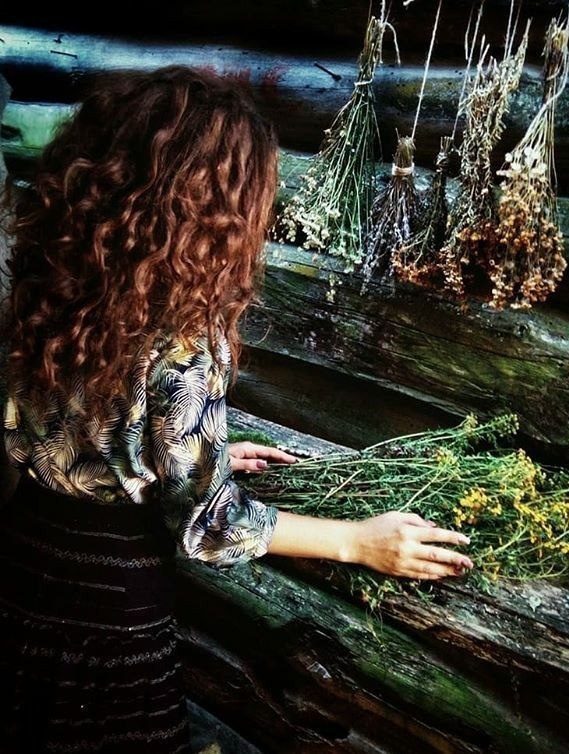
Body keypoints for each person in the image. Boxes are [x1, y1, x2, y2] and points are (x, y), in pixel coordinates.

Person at [0, 65, 473, 754]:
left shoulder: (47, 279)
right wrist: (358, 541)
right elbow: (211, 523)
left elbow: (73, 424)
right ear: (212, 211)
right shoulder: (184, 342)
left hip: (19, 565)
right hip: (107, 613)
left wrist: (190, 453)